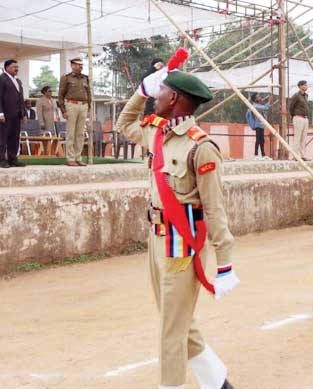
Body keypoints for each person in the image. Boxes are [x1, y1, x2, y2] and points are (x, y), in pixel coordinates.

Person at [113, 48, 238, 389]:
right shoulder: (156, 133)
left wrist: (224, 261)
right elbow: (122, 124)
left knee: (171, 330)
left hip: (183, 245)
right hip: (156, 240)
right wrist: (140, 91)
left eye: (162, 90)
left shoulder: (201, 147)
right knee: (176, 319)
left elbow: (215, 208)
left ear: (177, 98)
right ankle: (217, 381)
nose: (157, 95)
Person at [0, 59, 26, 168]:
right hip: (5, 114)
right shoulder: (0, 79)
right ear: (6, 68)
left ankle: (13, 159)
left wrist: (23, 113)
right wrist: (0, 113)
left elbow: (21, 98)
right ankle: (2, 160)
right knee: (3, 138)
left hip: (17, 114)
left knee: (14, 137)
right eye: (14, 67)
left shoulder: (18, 81)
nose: (16, 69)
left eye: (17, 67)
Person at [59, 58, 91, 167]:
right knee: (71, 133)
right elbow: (60, 95)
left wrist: (89, 108)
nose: (81, 67)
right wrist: (63, 110)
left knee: (80, 134)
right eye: (78, 65)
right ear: (72, 65)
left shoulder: (85, 78)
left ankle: (78, 157)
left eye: (81, 65)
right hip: (71, 105)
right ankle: (70, 158)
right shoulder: (66, 78)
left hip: (83, 105)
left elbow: (89, 93)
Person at [287, 80, 310, 159]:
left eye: (306, 85)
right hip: (298, 117)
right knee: (297, 137)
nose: (306, 87)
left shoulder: (306, 96)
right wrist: (294, 116)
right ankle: (295, 156)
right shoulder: (296, 95)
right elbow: (291, 107)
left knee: (303, 138)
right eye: (305, 85)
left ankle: (303, 155)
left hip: (305, 118)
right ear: (300, 86)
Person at [245, 93, 271, 160]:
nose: (260, 97)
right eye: (258, 97)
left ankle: (263, 155)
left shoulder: (259, 105)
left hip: (261, 125)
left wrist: (268, 102)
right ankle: (256, 155)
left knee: (262, 140)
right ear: (255, 99)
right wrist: (269, 101)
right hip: (258, 125)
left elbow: (265, 108)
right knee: (258, 140)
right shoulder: (255, 106)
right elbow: (266, 108)